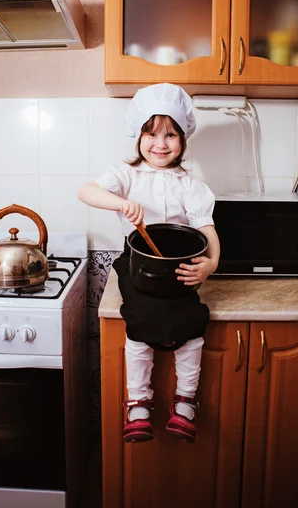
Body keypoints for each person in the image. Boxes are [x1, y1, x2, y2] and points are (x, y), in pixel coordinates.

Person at [78, 83, 220, 444]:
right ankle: (138, 403)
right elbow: (87, 191)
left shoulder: (192, 186)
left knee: (191, 321)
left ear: (183, 140)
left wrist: (211, 264)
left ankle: (186, 400)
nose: (161, 143)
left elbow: (207, 229)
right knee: (139, 321)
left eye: (171, 134)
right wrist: (119, 204)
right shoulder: (126, 176)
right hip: (137, 265)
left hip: (177, 266)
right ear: (138, 137)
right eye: (152, 133)